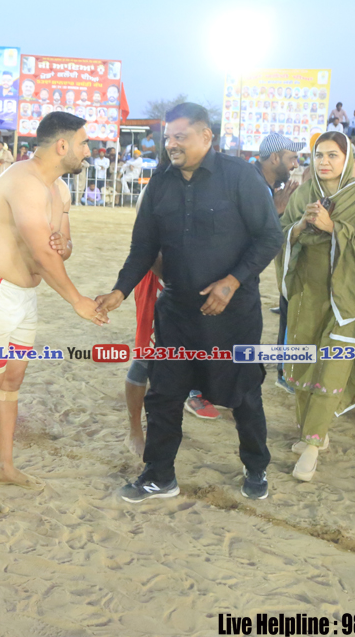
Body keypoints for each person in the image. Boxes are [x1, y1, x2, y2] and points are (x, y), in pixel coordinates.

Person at [98, 103, 283, 502]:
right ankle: (159, 476)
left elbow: (270, 237)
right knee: (163, 394)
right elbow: (143, 247)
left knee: (244, 394)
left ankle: (256, 466)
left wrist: (231, 282)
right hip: (176, 313)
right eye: (168, 138)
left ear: (206, 136)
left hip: (233, 315)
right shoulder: (160, 183)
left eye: (180, 137)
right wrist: (119, 291)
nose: (171, 145)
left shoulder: (239, 176)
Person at [0, 112, 107, 516]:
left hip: (25, 296)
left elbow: (61, 246)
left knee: (11, 383)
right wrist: (77, 300)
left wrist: (65, 245)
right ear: (62, 145)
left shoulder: (60, 189)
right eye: (83, 143)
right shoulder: (22, 181)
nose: (88, 151)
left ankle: (4, 466)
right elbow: (40, 251)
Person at [277, 131, 355, 481]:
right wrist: (299, 227)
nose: (324, 162)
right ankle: (311, 432)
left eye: (332, 155)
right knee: (302, 360)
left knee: (331, 366)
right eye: (318, 155)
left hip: (348, 297)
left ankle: (312, 445)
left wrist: (333, 228)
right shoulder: (304, 194)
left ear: (347, 159)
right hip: (307, 294)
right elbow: (281, 233)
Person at [256, 133, 304, 392]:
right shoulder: (253, 185)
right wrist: (274, 211)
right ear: (274, 158)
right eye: (291, 158)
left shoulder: (265, 186)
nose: (295, 164)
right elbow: (246, 234)